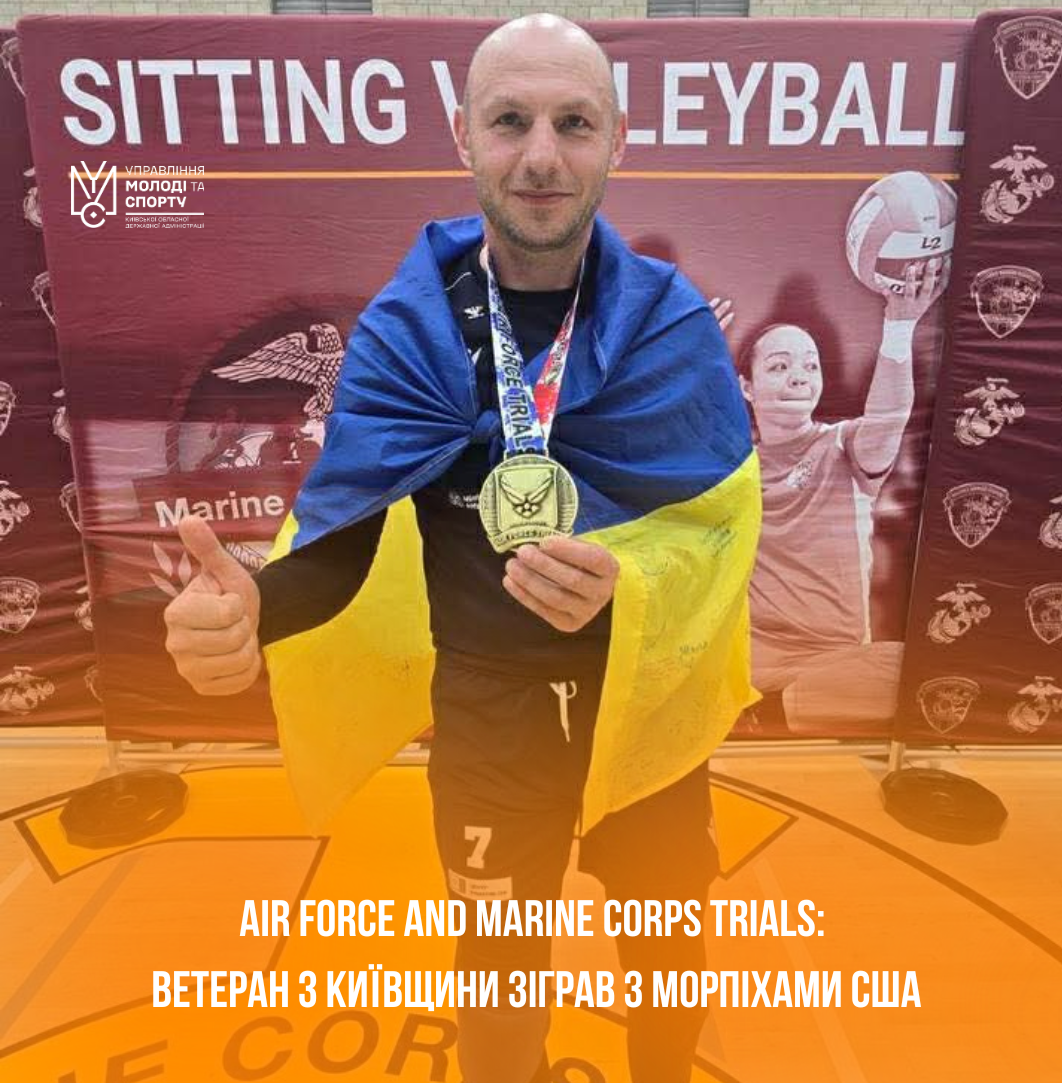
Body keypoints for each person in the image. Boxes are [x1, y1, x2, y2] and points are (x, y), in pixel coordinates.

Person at [163, 14, 759, 1082]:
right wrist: (258, 605)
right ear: (463, 136)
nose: (541, 155)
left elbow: (722, 534)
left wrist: (631, 582)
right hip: (493, 729)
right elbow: (339, 554)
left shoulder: (672, 324)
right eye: (510, 120)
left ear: (618, 139)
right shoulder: (405, 334)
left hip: (648, 713)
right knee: (498, 1000)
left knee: (669, 981)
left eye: (574, 123)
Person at [737, 257, 948, 733]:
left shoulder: (844, 444)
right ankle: (769, 706)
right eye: (779, 366)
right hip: (749, 659)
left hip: (837, 664)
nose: (799, 376)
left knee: (922, 665)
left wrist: (899, 328)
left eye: (810, 366)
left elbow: (888, 420)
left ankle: (771, 713)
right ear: (746, 387)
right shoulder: (730, 466)